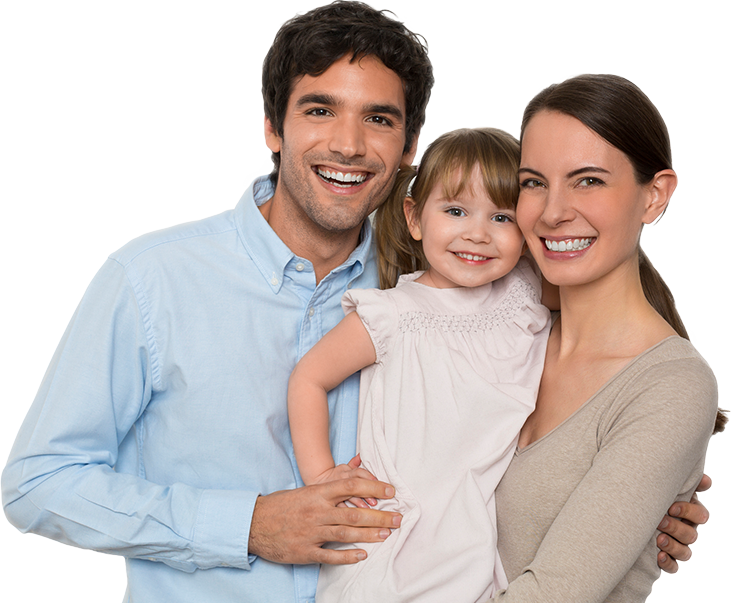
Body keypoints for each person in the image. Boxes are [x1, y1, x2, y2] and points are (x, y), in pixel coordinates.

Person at [0, 1, 708, 600]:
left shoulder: (447, 284)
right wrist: (244, 524)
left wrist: (641, 507)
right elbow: (36, 483)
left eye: (378, 118)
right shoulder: (153, 281)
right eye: (318, 109)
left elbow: (530, 429)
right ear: (273, 128)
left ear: (408, 149)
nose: (348, 143)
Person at [487, 73, 724, 602]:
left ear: (653, 195)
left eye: (588, 180)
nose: (552, 212)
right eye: (533, 182)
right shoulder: (504, 335)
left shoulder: (671, 386)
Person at [288, 128, 551, 602]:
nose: (477, 233)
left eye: (502, 217)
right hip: (398, 541)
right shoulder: (393, 315)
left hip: (479, 540)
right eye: (455, 211)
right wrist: (322, 477)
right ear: (415, 218)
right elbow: (308, 377)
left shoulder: (526, 292)